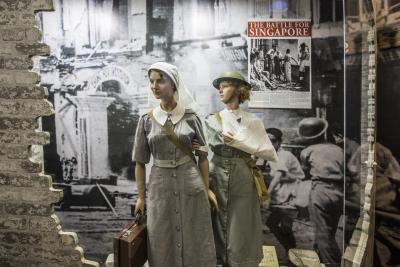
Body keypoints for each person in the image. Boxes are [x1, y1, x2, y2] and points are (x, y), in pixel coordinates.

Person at [132, 62, 217, 267]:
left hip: (191, 184)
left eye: (160, 80)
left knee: (195, 236)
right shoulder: (146, 120)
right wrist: (141, 197)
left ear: (174, 83)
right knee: (161, 237)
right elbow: (140, 162)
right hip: (160, 187)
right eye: (151, 81)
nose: (155, 86)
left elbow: (203, 158)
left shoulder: (191, 117)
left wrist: (206, 190)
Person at [204, 71, 278, 267]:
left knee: (242, 220)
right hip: (217, 170)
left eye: (225, 85)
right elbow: (202, 147)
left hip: (242, 173)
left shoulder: (253, 121)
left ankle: (241, 262)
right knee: (216, 217)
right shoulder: (212, 120)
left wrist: (240, 143)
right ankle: (218, 260)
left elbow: (268, 151)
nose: (220, 89)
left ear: (239, 89)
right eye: (219, 86)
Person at [298, 118, 344, 264]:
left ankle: (333, 263)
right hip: (339, 192)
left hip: (321, 191)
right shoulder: (338, 149)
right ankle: (319, 260)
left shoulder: (307, 151)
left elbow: (304, 174)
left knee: (323, 234)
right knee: (329, 231)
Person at [265, 128, 305, 252]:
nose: (270, 143)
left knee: (284, 226)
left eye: (273, 140)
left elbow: (278, 176)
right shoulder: (273, 155)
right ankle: (291, 251)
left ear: (279, 141)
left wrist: (267, 195)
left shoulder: (284, 155)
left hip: (292, 193)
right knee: (274, 224)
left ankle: (293, 253)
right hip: (283, 193)